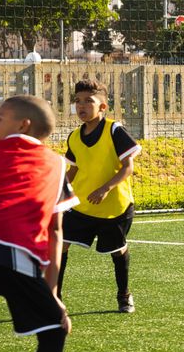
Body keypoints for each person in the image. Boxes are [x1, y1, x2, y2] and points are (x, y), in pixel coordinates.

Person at [0, 95, 79, 352]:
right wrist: (52, 291)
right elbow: (56, 231)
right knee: (54, 332)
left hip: (5, 249)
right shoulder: (57, 165)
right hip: (13, 254)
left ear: (23, 125)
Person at [59, 79, 141, 313]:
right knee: (60, 245)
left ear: (102, 107)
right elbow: (72, 171)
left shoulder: (114, 130)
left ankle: (124, 295)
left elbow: (128, 168)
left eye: (88, 101)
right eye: (77, 101)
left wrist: (105, 188)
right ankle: (55, 300)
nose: (81, 106)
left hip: (114, 208)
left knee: (117, 250)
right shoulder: (74, 136)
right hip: (82, 206)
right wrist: (56, 192)